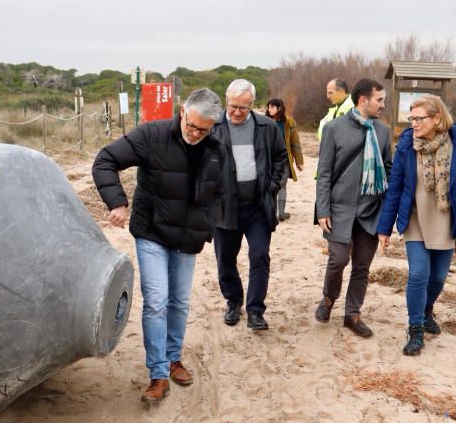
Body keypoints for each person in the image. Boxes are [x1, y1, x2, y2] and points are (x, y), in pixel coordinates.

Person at [92, 88, 224, 403]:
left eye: (202, 130)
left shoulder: (217, 148)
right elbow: (105, 160)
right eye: (191, 125)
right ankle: (158, 374)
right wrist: (117, 202)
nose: (194, 134)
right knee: (156, 301)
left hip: (187, 238)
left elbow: (222, 192)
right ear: (182, 111)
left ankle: (173, 356)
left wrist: (207, 227)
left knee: (179, 302)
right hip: (151, 232)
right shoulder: (151, 135)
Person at [376, 95, 456, 356]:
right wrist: (384, 227)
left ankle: (426, 311)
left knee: (437, 278)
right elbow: (396, 188)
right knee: (418, 274)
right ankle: (415, 330)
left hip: (447, 219)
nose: (413, 123)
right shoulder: (406, 146)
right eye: (411, 118)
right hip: (415, 218)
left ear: (437, 118)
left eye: (419, 118)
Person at [314, 78, 391, 337]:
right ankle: (328, 299)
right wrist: (323, 209)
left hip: (370, 211)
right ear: (363, 100)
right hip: (339, 210)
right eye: (379, 99)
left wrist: (386, 213)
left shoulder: (383, 132)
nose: (383, 104)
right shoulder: (334, 128)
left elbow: (389, 170)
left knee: (361, 266)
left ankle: (352, 314)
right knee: (338, 259)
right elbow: (323, 172)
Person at [213, 79, 288, 331]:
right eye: (232, 106)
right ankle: (233, 302)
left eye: (243, 108)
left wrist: (272, 186)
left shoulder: (266, 126)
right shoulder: (213, 126)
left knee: (259, 256)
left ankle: (256, 310)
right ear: (226, 101)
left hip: (258, 206)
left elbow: (280, 157)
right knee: (225, 259)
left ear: (252, 105)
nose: (236, 112)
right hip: (225, 207)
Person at [266, 98, 305, 221]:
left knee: (282, 185)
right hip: (268, 160)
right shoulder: (264, 122)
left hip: (284, 159)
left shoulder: (288, 122)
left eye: (273, 107)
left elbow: (295, 143)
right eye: (269, 107)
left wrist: (299, 161)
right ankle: (273, 212)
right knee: (271, 185)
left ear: (280, 108)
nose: (270, 109)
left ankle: (281, 213)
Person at [317, 78, 354, 142]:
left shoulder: (354, 108)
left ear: (341, 91)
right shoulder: (334, 110)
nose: (328, 97)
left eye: (330, 93)